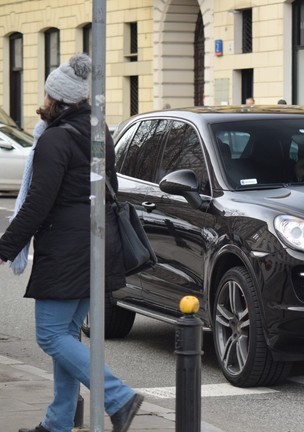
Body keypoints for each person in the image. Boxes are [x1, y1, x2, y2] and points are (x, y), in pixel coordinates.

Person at [0, 53, 144, 432]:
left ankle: (119, 397)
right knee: (65, 336)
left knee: (50, 335)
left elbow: (37, 204)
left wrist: (4, 247)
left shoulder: (56, 140)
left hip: (66, 250)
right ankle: (58, 422)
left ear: (56, 100)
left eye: (47, 95)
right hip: (97, 245)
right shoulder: (99, 131)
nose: (43, 101)